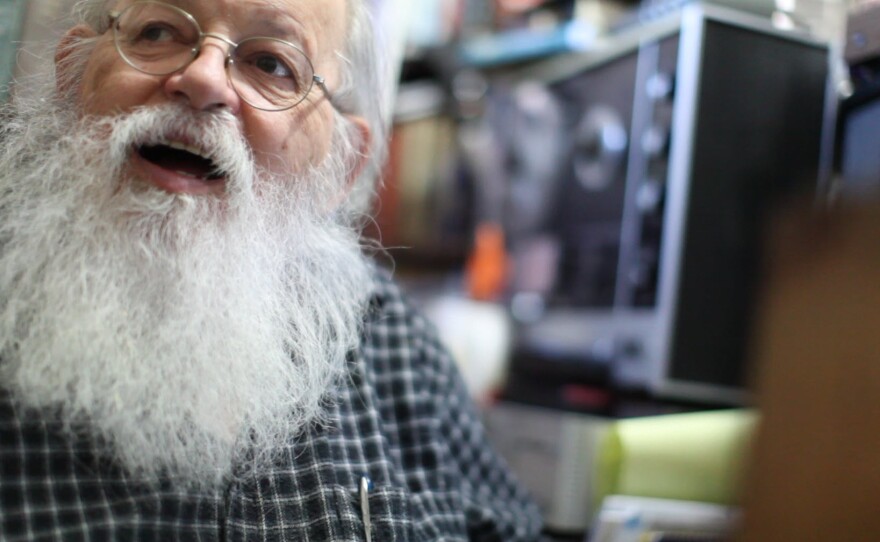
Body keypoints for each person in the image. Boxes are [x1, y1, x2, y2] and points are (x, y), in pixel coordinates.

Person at [0, 0, 544, 539]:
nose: (203, 78)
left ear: (342, 168)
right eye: (158, 31)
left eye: (272, 65)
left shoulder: (388, 339)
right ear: (72, 80)